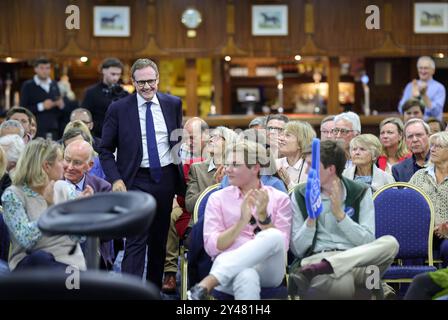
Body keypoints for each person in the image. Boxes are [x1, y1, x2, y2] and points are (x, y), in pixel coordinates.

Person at [100, 58, 185, 289]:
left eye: (151, 81)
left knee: (159, 240)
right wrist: (116, 179)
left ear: (158, 80)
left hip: (165, 178)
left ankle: (153, 291)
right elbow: (105, 149)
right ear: (132, 82)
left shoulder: (173, 104)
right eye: (141, 82)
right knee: (136, 239)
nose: (147, 87)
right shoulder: (119, 109)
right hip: (134, 179)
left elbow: (176, 141)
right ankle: (130, 292)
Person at [289, 140, 399, 299]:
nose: (306, 171)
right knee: (345, 281)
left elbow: (368, 241)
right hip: (316, 258)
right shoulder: (300, 194)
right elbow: (298, 250)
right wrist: (311, 219)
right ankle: (376, 287)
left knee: (390, 243)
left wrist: (341, 215)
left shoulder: (360, 192)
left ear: (331, 169)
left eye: (310, 165)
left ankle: (329, 267)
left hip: (356, 260)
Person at [187, 140, 292, 300]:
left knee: (275, 236)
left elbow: (281, 246)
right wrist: (242, 221)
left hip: (268, 269)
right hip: (229, 272)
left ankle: (208, 283)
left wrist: (263, 217)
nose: (227, 169)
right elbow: (212, 247)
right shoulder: (217, 199)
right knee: (246, 276)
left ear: (255, 168)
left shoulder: (279, 198)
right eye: (227, 164)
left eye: (235, 164)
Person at [1, 138, 88, 271]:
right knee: (41, 257)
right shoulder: (13, 195)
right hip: (30, 264)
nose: (65, 165)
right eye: (60, 160)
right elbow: (27, 241)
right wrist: (50, 209)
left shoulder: (65, 189)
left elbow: (79, 237)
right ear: (47, 166)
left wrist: (81, 210)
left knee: (73, 271)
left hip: (68, 264)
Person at [409, 131, 448, 267]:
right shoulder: (419, 176)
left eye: (439, 146)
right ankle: (411, 287)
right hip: (421, 231)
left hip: (446, 232)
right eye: (432, 146)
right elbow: (408, 206)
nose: (432, 149)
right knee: (411, 244)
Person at [82, 58, 127, 138]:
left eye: (118, 74)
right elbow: (85, 115)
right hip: (98, 136)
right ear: (103, 71)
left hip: (119, 137)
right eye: (113, 74)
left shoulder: (123, 93)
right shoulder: (91, 92)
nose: (116, 78)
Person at [20, 58, 64, 140]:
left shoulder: (54, 84)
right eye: (42, 68)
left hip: (54, 129)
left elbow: (60, 109)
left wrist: (61, 105)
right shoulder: (28, 85)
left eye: (47, 68)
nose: (45, 71)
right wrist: (42, 106)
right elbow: (23, 109)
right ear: (35, 69)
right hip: (36, 129)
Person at [398, 56, 446, 122]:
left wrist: (424, 95)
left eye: (426, 68)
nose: (423, 71)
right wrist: (413, 97)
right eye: (420, 68)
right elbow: (401, 109)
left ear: (433, 70)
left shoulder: (439, 87)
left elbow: (436, 112)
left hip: (432, 126)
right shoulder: (410, 86)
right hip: (411, 124)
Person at [276, 121, 316, 190]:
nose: (281, 138)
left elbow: (305, 198)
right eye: (282, 135)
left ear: (301, 142)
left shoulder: (310, 168)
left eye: (287, 135)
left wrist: (289, 183)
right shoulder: (275, 164)